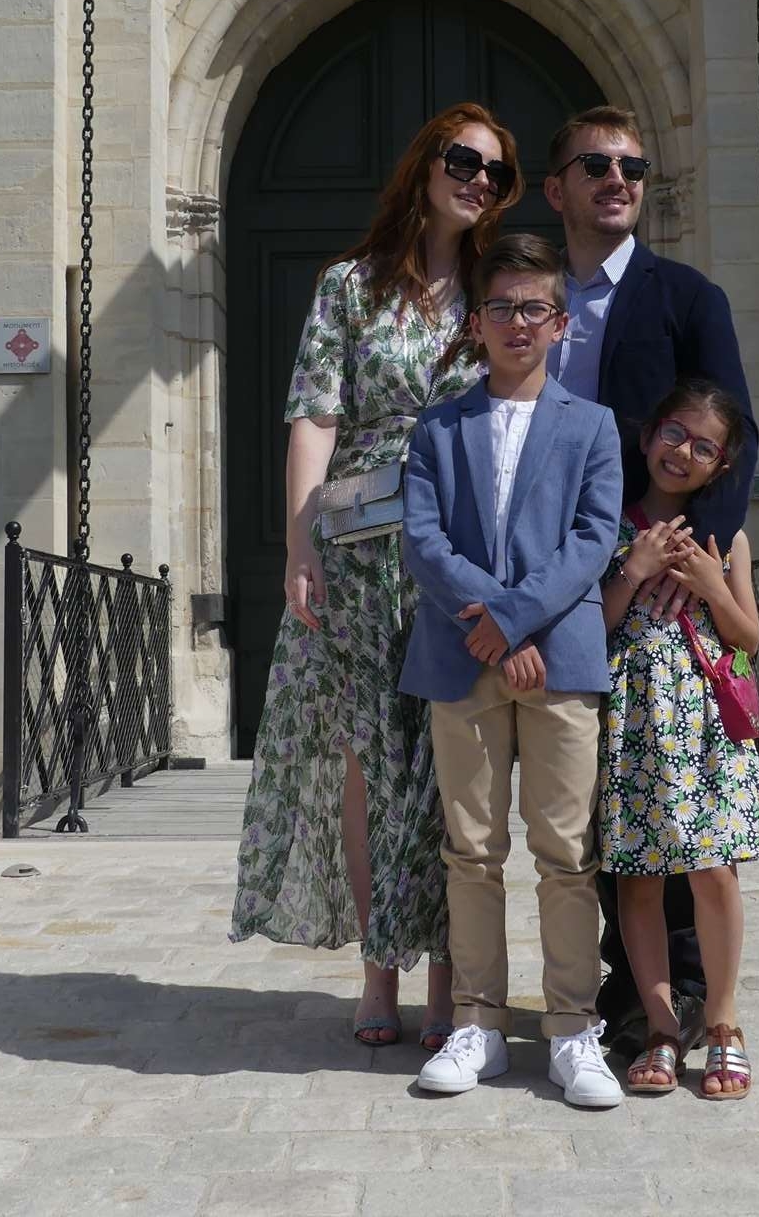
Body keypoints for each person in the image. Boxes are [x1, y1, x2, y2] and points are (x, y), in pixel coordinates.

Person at [231, 104, 524, 1052]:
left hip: (467, 547)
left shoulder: (500, 287)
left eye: (496, 171)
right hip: (363, 555)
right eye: (462, 159)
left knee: (451, 764)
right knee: (370, 764)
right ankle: (377, 965)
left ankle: (449, 973)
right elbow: (314, 416)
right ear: (423, 162)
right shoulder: (350, 287)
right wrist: (300, 540)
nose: (477, 179)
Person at [542, 103, 759, 1055]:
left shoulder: (688, 295)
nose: (617, 180)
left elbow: (735, 440)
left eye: (631, 166)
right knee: (594, 793)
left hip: (651, 579)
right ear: (559, 189)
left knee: (668, 800)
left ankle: (669, 1007)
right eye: (595, 166)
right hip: (549, 577)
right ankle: (611, 985)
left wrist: (689, 558)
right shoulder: (524, 299)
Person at [399, 234, 625, 1108]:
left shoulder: (593, 425)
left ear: (560, 323)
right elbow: (423, 540)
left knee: (567, 852)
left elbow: (592, 539)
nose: (518, 322)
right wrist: (490, 622)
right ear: (477, 321)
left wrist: (514, 617)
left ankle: (572, 1027)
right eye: (502, 307)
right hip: (461, 658)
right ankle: (479, 1022)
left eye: (535, 307)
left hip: (560, 657)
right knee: (472, 849)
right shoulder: (440, 424)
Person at [598, 379, 759, 1099]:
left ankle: (726, 1022)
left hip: (703, 722)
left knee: (712, 872)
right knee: (638, 879)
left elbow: (750, 637)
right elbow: (595, 626)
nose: (684, 451)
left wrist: (709, 581)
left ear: (720, 465)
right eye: (675, 432)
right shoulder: (609, 525)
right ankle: (661, 1026)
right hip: (636, 719)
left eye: (705, 446)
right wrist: (634, 570)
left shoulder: (724, 535)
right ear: (648, 437)